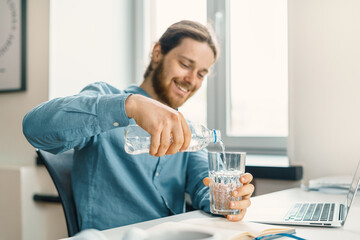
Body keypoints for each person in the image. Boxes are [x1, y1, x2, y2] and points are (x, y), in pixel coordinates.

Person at [23, 20, 254, 231]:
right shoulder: (106, 99)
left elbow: (206, 184)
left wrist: (231, 198)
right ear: (157, 53)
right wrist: (129, 106)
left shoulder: (187, 131)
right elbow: (34, 128)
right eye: (185, 64)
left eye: (201, 74)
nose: (192, 80)